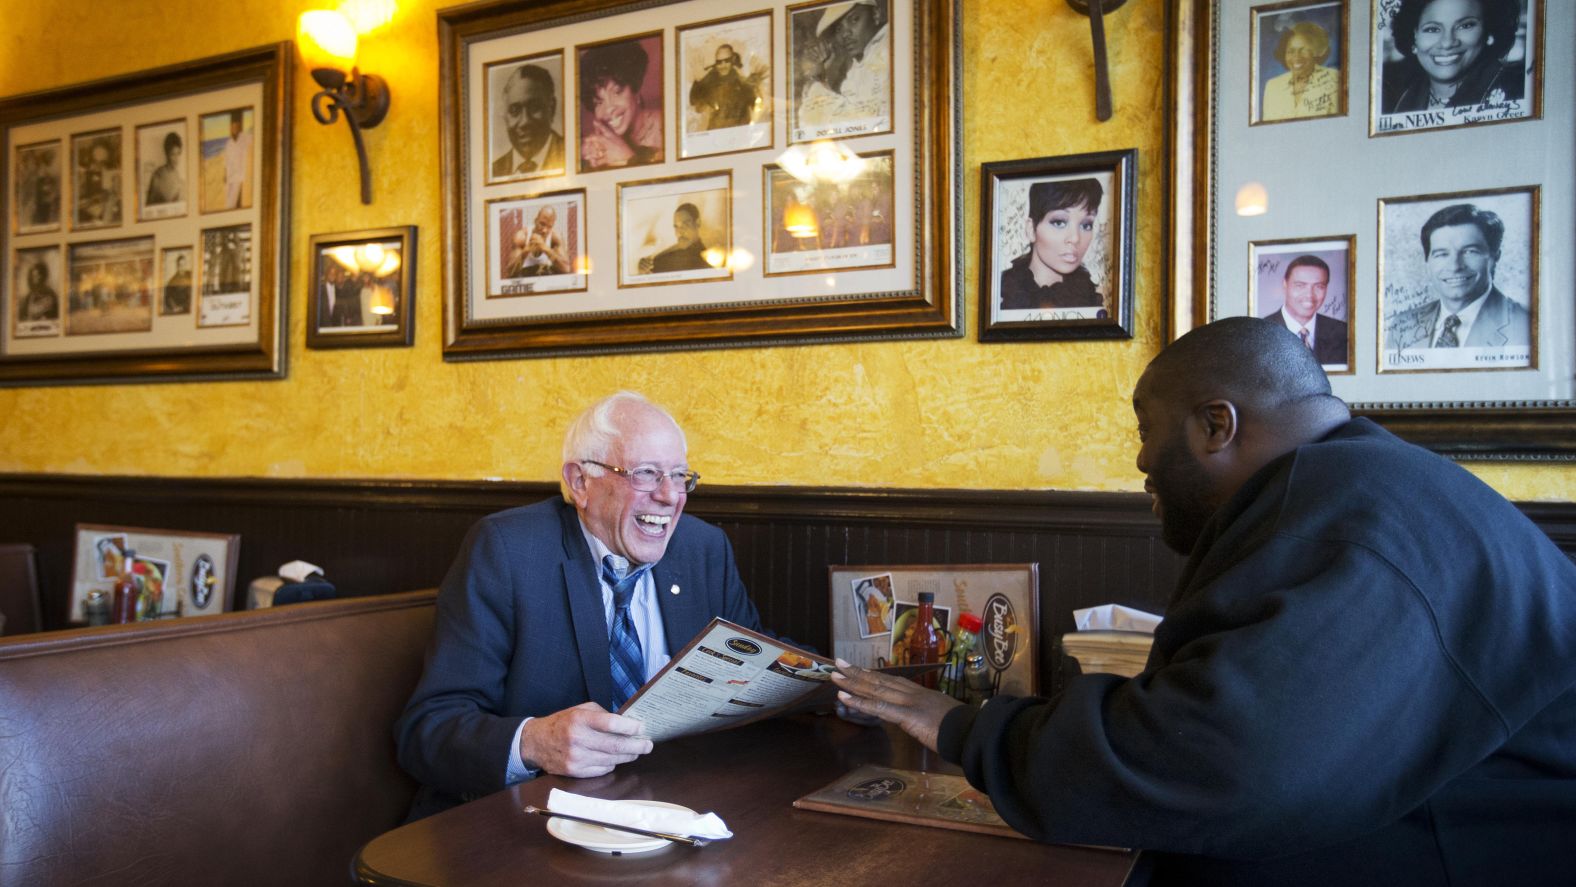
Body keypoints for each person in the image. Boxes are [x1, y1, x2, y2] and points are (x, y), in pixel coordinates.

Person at [834, 316, 1576, 885]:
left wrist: (966, 728)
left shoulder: (1348, 513)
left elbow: (1213, 759)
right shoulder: (1350, 487)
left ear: (1216, 424)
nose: (1140, 459)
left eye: (1145, 429)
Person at [394, 392, 768, 819]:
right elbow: (428, 729)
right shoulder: (509, 551)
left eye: (680, 475)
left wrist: (843, 688)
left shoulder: (702, 549)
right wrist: (534, 742)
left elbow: (756, 664)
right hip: (524, 820)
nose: (670, 496)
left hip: (669, 808)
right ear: (580, 482)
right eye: (646, 473)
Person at [1386, 203, 1530, 349]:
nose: (1455, 266)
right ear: (1427, 262)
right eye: (1442, 254)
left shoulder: (1526, 325)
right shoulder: (1402, 326)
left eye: (1470, 251)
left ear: (1495, 257)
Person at [1381, 0, 1523, 114]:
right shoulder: (1401, 100)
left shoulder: (1517, 90)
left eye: (1465, 26)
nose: (1447, 43)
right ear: (1414, 37)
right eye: (1432, 29)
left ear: (1489, 32)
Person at [998, 178, 1104, 310]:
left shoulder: (1092, 300)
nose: (1075, 238)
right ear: (1031, 229)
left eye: (1086, 225)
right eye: (1059, 222)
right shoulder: (1000, 292)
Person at [797, 0, 890, 122]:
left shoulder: (888, 49)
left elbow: (863, 122)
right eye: (839, 29)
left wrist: (818, 80)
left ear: (876, 15)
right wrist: (823, 78)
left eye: (854, 20)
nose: (845, 34)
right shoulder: (862, 60)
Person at [579, 41, 663, 170]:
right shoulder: (600, 143)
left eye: (617, 92)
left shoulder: (667, 129)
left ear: (636, 89)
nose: (609, 108)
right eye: (598, 102)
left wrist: (626, 157)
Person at [1262, 254, 1347, 365]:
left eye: (1319, 286)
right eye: (1300, 285)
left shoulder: (1343, 332)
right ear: (1285, 284)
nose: (1309, 295)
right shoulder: (1261, 331)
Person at [491, 64, 565, 178]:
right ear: (505, 116)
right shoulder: (494, 172)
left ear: (552, 108)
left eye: (535, 107)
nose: (525, 122)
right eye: (514, 110)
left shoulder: (574, 156)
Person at [1260, 20, 1340, 120]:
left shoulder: (1334, 78)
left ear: (1315, 52)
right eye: (1291, 51)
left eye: (1303, 50)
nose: (1296, 57)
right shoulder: (1272, 86)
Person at [687, 44, 765, 131]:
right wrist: (698, 82)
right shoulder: (711, 78)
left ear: (732, 60)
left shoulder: (741, 78)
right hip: (716, 132)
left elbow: (757, 105)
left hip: (741, 131)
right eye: (719, 62)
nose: (723, 65)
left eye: (726, 61)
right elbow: (697, 106)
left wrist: (750, 79)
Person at [638, 203, 710, 274]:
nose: (679, 232)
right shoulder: (663, 258)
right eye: (676, 227)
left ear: (698, 223)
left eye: (685, 225)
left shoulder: (709, 260)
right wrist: (643, 270)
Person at [503, 206, 571, 278]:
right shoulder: (522, 237)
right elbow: (510, 272)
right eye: (542, 224)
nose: (544, 230)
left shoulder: (555, 237)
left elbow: (566, 269)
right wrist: (526, 251)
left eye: (549, 227)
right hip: (526, 279)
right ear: (535, 221)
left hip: (547, 278)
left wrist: (545, 248)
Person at [145, 131, 184, 206]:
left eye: (178, 153)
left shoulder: (177, 175)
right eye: (173, 154)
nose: (176, 159)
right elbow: (149, 206)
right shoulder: (157, 175)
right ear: (167, 154)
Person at [222, 111, 252, 209]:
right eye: (232, 127)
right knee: (227, 197)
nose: (234, 129)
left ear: (239, 128)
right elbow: (226, 159)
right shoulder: (228, 143)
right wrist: (224, 173)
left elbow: (254, 134)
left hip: (238, 175)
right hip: (229, 174)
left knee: (232, 201)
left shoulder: (244, 138)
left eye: (236, 127)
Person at [18, 259, 59, 323]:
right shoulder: (29, 297)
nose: (37, 279)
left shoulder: (52, 295)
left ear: (44, 277)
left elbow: (56, 317)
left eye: (39, 276)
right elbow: (22, 317)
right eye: (34, 276)